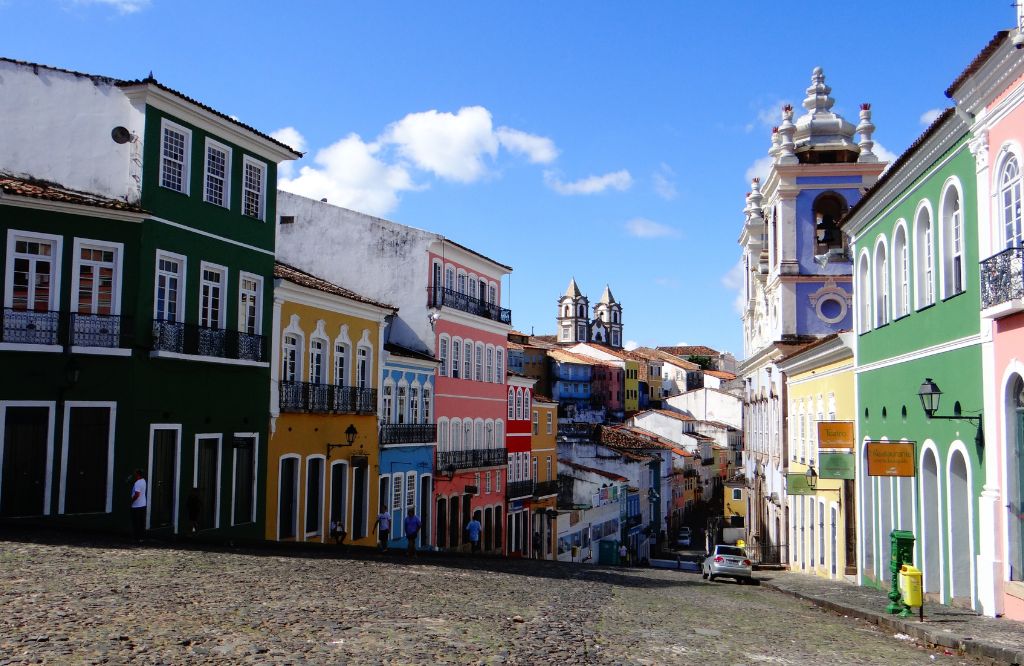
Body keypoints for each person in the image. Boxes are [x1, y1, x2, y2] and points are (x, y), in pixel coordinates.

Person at [130, 469, 147, 543]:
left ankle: (136, 538)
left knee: (136, 522)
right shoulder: (144, 481)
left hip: (136, 505)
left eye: (135, 474)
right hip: (143, 504)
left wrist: (132, 500)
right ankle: (141, 537)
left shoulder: (137, 483)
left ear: (137, 474)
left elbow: (137, 494)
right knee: (142, 522)